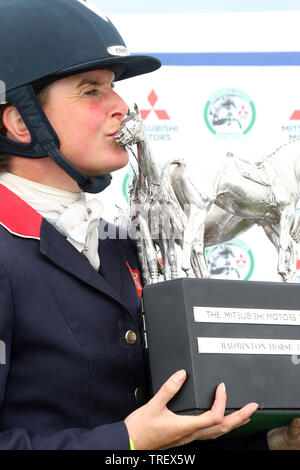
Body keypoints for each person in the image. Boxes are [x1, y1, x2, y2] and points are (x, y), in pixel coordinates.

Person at [0, 0, 298, 451]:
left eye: (114, 87)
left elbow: (166, 437)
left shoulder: (123, 241)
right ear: (21, 121)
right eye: (90, 91)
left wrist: (272, 440)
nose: (122, 106)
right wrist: (126, 441)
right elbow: (138, 440)